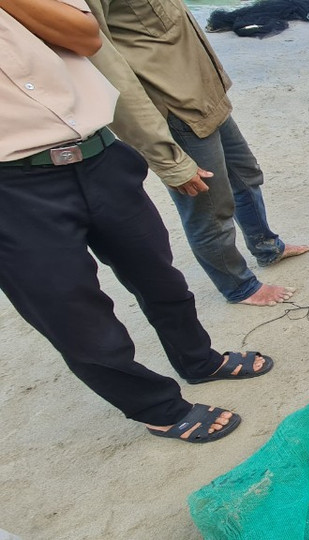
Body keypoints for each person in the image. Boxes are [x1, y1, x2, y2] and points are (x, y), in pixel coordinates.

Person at [0, 0, 274, 443]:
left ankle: (199, 360)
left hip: (98, 154)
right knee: (73, 314)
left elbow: (87, 37)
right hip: (13, 185)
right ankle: (159, 408)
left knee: (160, 276)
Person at [88, 0, 309, 305]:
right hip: (174, 106)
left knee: (246, 176)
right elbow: (105, 65)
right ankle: (238, 286)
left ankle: (267, 246)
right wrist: (167, 159)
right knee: (209, 207)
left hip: (204, 93)